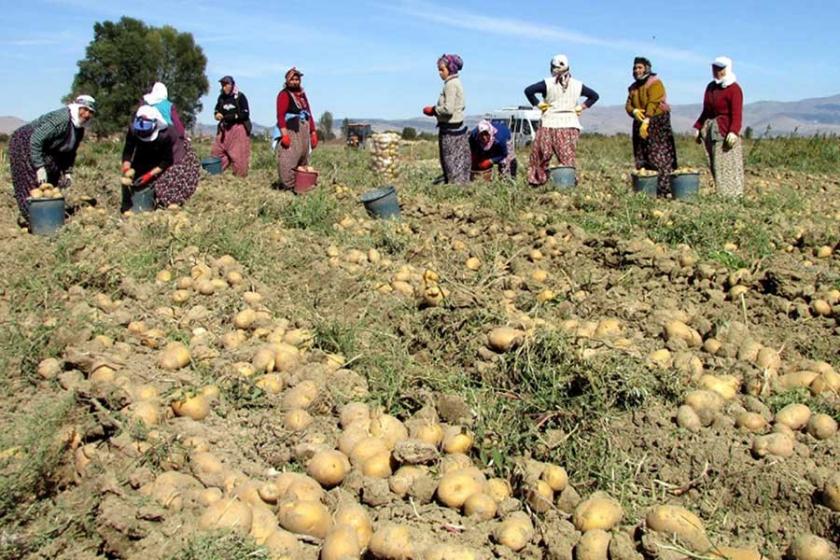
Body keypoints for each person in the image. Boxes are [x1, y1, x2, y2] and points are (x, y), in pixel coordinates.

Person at [8, 95, 96, 220]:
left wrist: (67, 172)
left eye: (91, 112)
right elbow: (36, 139)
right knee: (31, 184)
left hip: (45, 148)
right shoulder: (62, 118)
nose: (87, 115)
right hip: (25, 142)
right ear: (77, 107)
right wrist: (39, 167)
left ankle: (50, 216)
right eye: (84, 109)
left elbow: (70, 152)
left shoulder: (79, 129)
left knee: (53, 179)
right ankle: (35, 220)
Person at [524, 54, 599, 186]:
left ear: (552, 67)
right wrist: (581, 107)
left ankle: (537, 181)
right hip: (570, 124)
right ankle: (567, 183)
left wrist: (538, 103)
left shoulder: (547, 84)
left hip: (549, 123)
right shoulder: (577, 85)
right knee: (567, 157)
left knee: (541, 154)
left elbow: (528, 91)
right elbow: (594, 96)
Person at [120, 105, 200, 211]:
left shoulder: (165, 135)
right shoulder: (133, 130)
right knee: (132, 183)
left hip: (166, 159)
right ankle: (127, 205)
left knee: (164, 182)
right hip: (142, 155)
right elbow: (128, 151)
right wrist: (126, 169)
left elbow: (166, 161)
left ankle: (164, 200)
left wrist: (149, 175)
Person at [626, 57, 678, 196]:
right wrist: (634, 111)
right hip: (640, 122)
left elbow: (654, 102)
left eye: (640, 68)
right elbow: (629, 105)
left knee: (659, 155)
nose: (637, 70)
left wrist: (647, 119)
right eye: (635, 68)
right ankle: (646, 188)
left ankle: (664, 189)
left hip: (657, 122)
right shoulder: (633, 88)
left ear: (647, 68)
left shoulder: (655, 83)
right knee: (642, 154)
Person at [693, 56, 744, 197]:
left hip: (725, 130)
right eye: (715, 68)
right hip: (711, 129)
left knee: (728, 163)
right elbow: (706, 111)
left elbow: (736, 113)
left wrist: (734, 131)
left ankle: (732, 195)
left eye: (720, 69)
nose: (717, 71)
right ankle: (720, 192)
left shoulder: (734, 89)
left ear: (727, 69)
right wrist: (698, 126)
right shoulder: (711, 88)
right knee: (715, 163)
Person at [423, 54, 470, 184]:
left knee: (451, 160)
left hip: (450, 130)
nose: (439, 73)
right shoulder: (457, 83)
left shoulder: (450, 85)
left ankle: (455, 186)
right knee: (458, 160)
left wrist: (433, 110)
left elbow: (448, 109)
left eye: (442, 69)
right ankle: (459, 184)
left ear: (450, 68)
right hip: (457, 127)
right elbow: (462, 105)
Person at [275, 67, 318, 190]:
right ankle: (289, 185)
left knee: (302, 157)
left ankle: (302, 184)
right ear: (287, 81)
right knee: (288, 158)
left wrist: (313, 132)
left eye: (297, 79)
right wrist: (284, 134)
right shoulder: (284, 95)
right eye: (292, 79)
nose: (295, 82)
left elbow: (309, 113)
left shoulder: (302, 95)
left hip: (303, 131)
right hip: (291, 131)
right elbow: (280, 115)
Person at [210, 75, 251, 177]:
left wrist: (232, 117)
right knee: (217, 152)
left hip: (238, 129)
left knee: (238, 156)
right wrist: (217, 115)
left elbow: (245, 113)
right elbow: (216, 110)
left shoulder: (240, 97)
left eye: (226, 84)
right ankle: (213, 174)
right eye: (223, 85)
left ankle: (239, 178)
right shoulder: (221, 98)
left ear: (232, 85)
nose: (224, 87)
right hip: (224, 129)